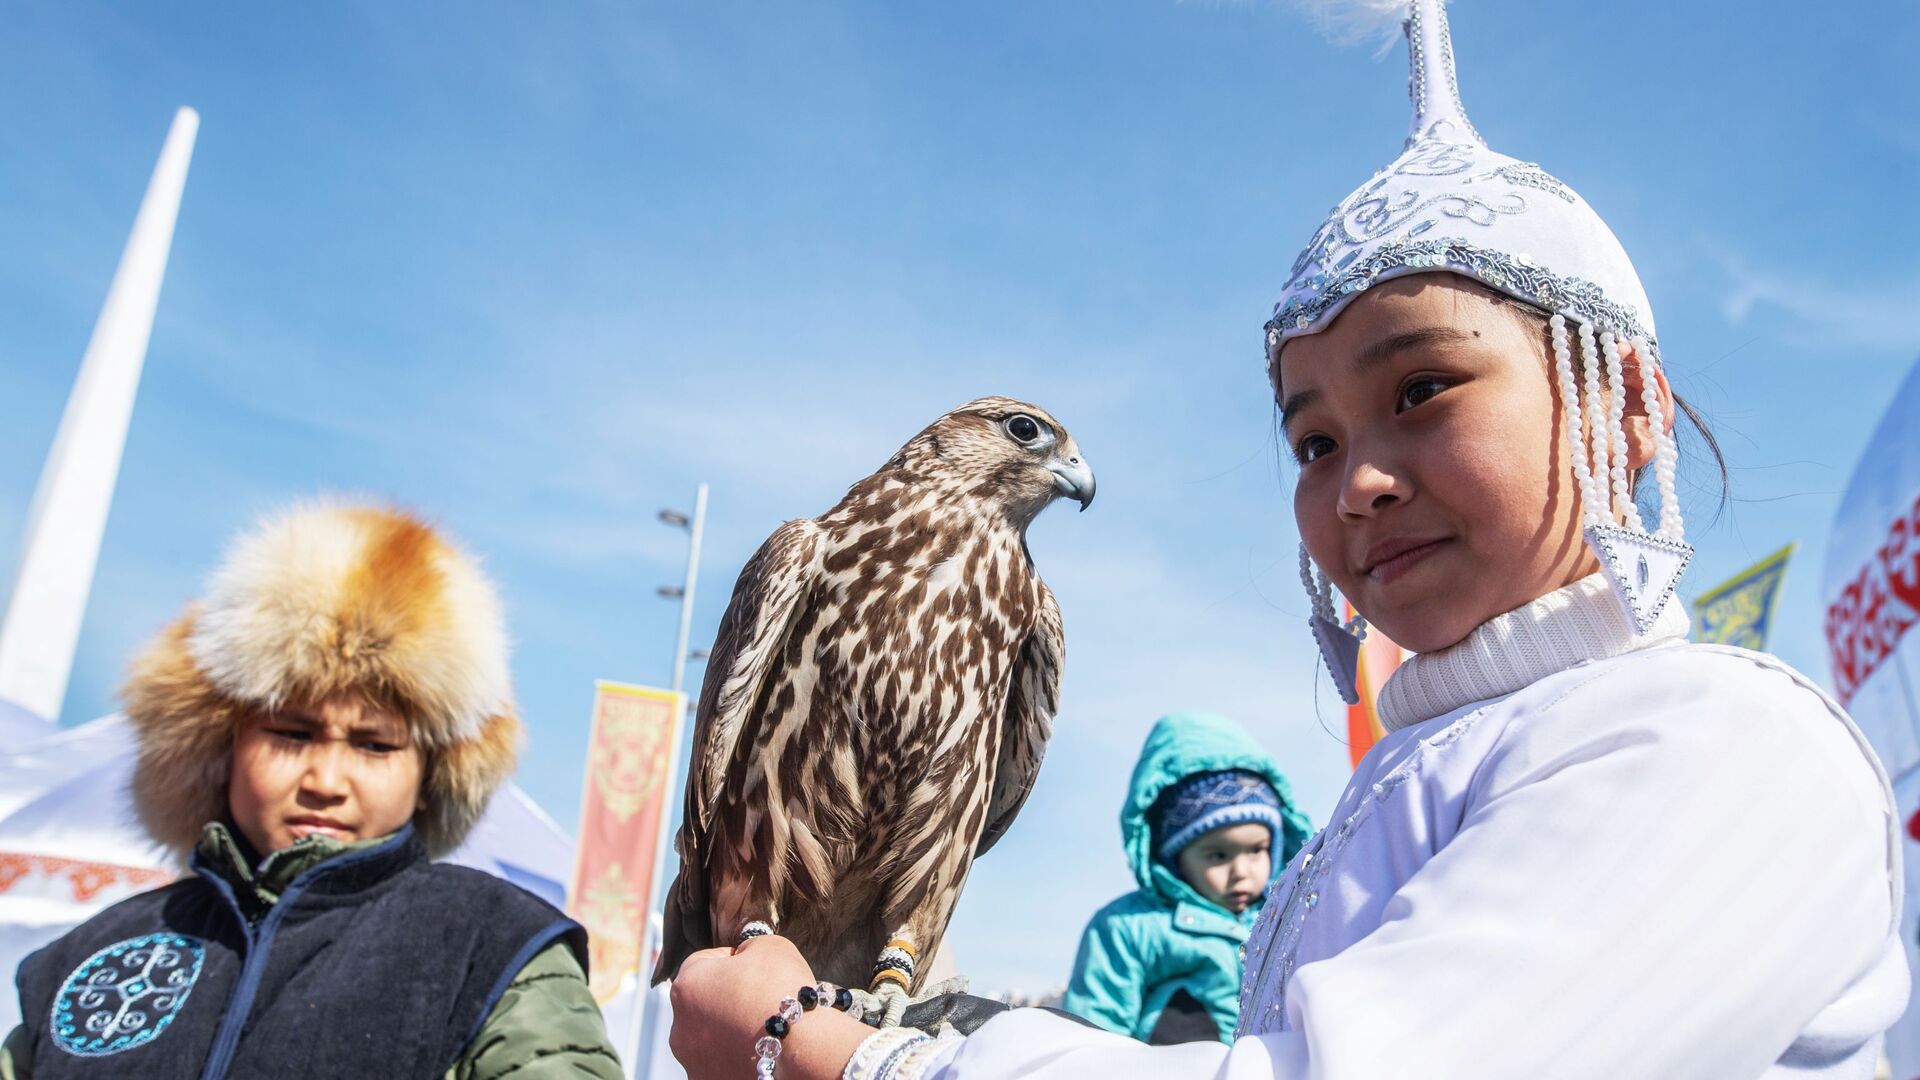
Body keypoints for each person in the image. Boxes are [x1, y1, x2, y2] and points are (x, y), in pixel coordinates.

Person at [662, 2, 1907, 1077]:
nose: (1358, 479)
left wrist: (818, 1046)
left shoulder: (1723, 746)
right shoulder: (1419, 770)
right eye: (1311, 443)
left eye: (1422, 391)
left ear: (1626, 404)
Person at [1, 503, 623, 1080]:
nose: (325, 781)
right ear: (220, 748)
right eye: (291, 734)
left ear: (432, 774)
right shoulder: (92, 953)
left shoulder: (495, 948)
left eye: (374, 745)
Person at [1062, 712, 1310, 1044]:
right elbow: (1093, 1032)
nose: (1241, 871)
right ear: (1175, 858)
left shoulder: (1294, 921)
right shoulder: (1132, 928)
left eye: (1256, 850)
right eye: (1218, 855)